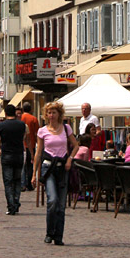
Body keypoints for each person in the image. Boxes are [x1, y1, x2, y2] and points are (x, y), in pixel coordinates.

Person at [32, 100, 79, 246]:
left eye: (53, 112)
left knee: (61, 204)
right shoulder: (42, 131)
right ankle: (49, 232)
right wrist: (34, 173)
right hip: (48, 168)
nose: (51, 115)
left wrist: (70, 159)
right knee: (52, 200)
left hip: (63, 167)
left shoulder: (66, 129)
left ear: (59, 114)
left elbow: (76, 145)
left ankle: (58, 236)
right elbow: (38, 152)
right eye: (49, 113)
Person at [0, 103, 27, 215]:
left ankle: (11, 205)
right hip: (19, 154)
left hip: (7, 155)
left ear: (5, 113)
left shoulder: (1, 126)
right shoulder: (22, 125)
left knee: (8, 182)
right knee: (17, 180)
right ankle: (16, 202)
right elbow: (25, 138)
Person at [20, 101, 39, 191]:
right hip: (31, 145)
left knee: (22, 166)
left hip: (22, 145)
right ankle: (29, 184)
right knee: (30, 165)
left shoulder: (20, 118)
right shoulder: (34, 119)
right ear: (31, 109)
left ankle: (22, 184)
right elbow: (37, 133)